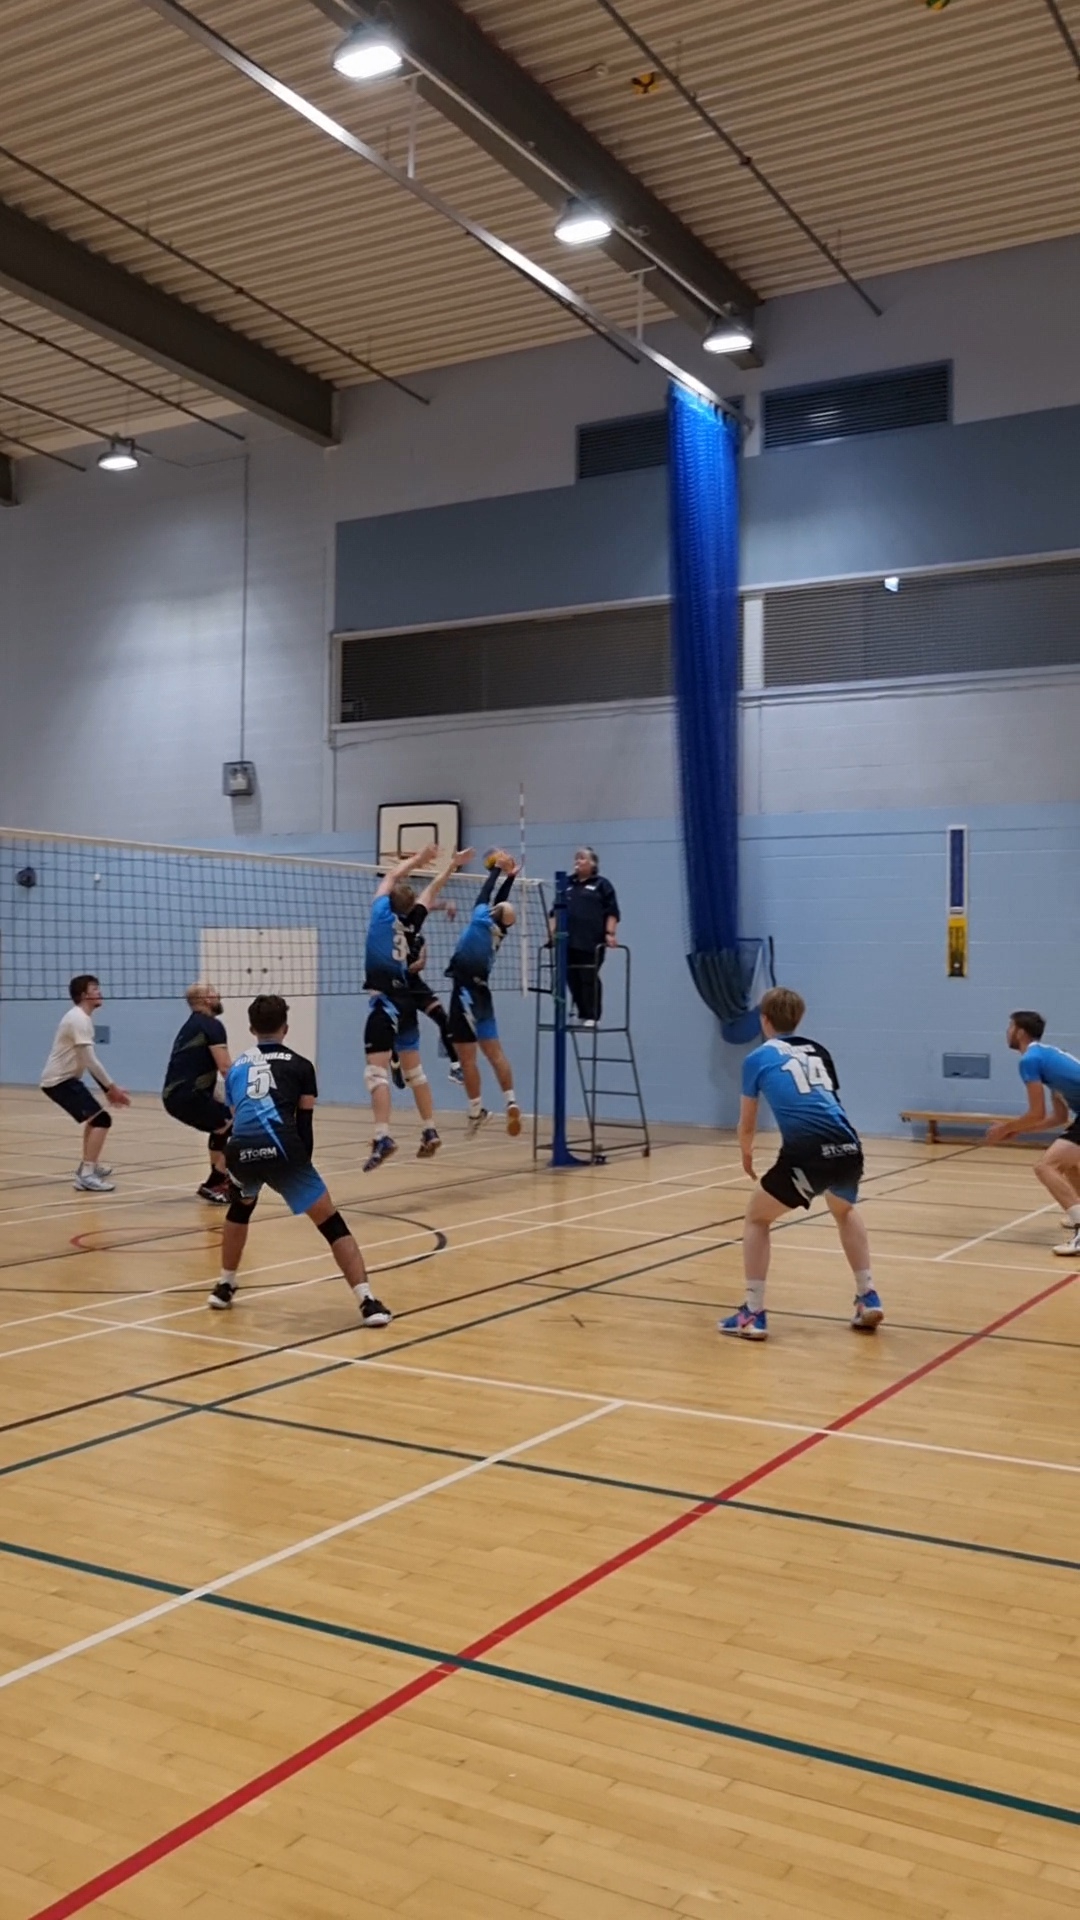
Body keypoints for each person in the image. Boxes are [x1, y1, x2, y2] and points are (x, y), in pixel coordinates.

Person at [209, 993, 390, 1325]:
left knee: (241, 1208)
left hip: (241, 1151)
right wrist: (300, 1167)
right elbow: (304, 1124)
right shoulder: (302, 1066)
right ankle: (367, 1301)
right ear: (286, 1028)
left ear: (251, 1029)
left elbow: (239, 1118)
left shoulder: (236, 1069)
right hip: (284, 1150)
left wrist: (233, 1163)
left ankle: (224, 1286)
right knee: (331, 1223)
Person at [720, 986, 882, 1341]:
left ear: (764, 1019)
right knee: (844, 1209)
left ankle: (753, 1312)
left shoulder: (757, 1058)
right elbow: (827, 1102)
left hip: (809, 1152)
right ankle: (867, 1295)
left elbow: (747, 1122)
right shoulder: (818, 1051)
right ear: (799, 1018)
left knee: (757, 1217)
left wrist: (745, 1152)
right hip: (849, 1146)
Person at [362, 843, 467, 1173]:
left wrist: (418, 859)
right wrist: (451, 865)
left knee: (375, 1074)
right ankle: (429, 1130)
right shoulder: (412, 923)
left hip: (385, 1003)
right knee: (415, 1073)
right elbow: (432, 890)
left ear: (388, 901)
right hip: (406, 1001)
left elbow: (392, 875)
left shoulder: (381, 916)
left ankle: (382, 1136)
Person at [986, 1011, 1080, 1256]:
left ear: (1020, 1032)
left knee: (1045, 1167)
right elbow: (1058, 1118)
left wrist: (1006, 1128)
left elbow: (1036, 1113)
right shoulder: (1047, 1057)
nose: (1007, 1032)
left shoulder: (1030, 1060)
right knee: (1068, 1164)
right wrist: (1017, 1129)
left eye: (1010, 1027)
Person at [447, 852, 522, 1137]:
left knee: (467, 1058)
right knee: (495, 1053)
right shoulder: (499, 932)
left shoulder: (480, 919)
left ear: (493, 912)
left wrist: (497, 870)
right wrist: (511, 877)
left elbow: (486, 894)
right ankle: (511, 1100)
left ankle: (475, 1109)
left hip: (464, 993)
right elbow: (500, 904)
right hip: (483, 995)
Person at [40, 973, 131, 1193]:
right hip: (59, 1081)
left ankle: (88, 1166)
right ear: (83, 995)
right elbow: (90, 1060)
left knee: (96, 1118)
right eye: (94, 988)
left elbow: (86, 1060)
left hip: (67, 1079)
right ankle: (87, 1175)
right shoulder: (78, 1019)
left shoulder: (81, 1018)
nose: (99, 992)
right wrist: (112, 1088)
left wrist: (107, 1090)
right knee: (102, 1120)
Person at [391, 875, 467, 1092]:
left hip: (415, 983)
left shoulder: (415, 920)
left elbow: (425, 905)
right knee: (394, 1026)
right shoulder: (388, 918)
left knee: (442, 1017)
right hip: (397, 983)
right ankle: (394, 1059)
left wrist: (445, 904)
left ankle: (455, 1066)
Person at [162, 983, 233, 1203]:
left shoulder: (193, 1025)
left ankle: (220, 1183)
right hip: (189, 1096)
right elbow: (225, 1068)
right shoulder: (212, 1025)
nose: (218, 995)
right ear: (206, 1000)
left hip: (176, 1095)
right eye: (213, 992)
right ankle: (214, 1183)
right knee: (244, 1125)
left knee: (221, 1126)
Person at [552, 848, 620, 1025]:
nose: (577, 861)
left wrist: (610, 933)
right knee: (571, 978)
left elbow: (612, 911)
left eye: (582, 858)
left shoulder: (602, 885)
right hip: (568, 941)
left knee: (588, 977)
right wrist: (551, 934)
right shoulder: (566, 883)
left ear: (593, 863)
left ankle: (592, 1016)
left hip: (591, 941)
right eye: (576, 858)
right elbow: (554, 912)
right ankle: (582, 1013)